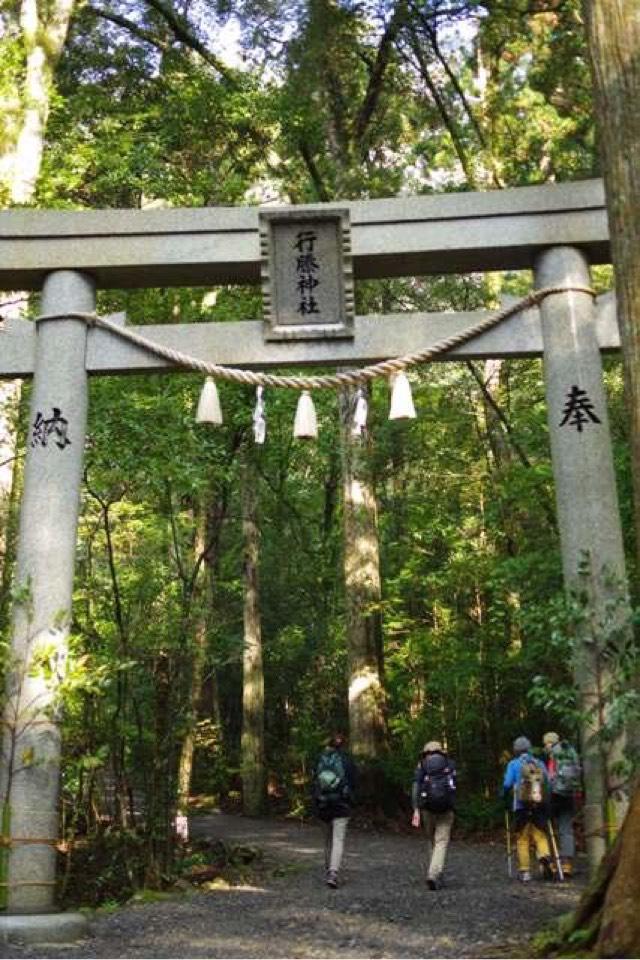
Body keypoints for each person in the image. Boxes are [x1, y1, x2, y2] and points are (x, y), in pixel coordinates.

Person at [503, 735, 553, 883]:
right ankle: (544, 858)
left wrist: (503, 796)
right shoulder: (539, 763)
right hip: (538, 804)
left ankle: (525, 871)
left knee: (522, 838)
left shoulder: (513, 764)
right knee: (540, 835)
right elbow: (548, 783)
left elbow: (506, 784)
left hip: (520, 805)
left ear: (516, 750)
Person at [312, 732, 356, 889]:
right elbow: (353, 782)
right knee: (338, 839)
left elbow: (314, 783)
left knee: (327, 840)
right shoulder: (346, 760)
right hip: (341, 805)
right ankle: (333, 872)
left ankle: (327, 868)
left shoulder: (319, 759)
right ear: (343, 745)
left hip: (323, 805)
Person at [411, 740, 456, 890]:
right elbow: (454, 787)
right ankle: (434, 873)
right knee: (441, 842)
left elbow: (416, 787)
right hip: (446, 809)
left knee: (431, 840)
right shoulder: (449, 764)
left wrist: (416, 807)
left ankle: (434, 872)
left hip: (427, 809)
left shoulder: (422, 765)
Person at [542, 731, 582, 879]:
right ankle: (567, 864)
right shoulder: (570, 751)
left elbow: (551, 776)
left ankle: (554, 863)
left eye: (546, 743)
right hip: (570, 794)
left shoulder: (554, 754)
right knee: (566, 829)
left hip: (555, 795)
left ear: (549, 742)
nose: (545, 746)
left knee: (549, 827)